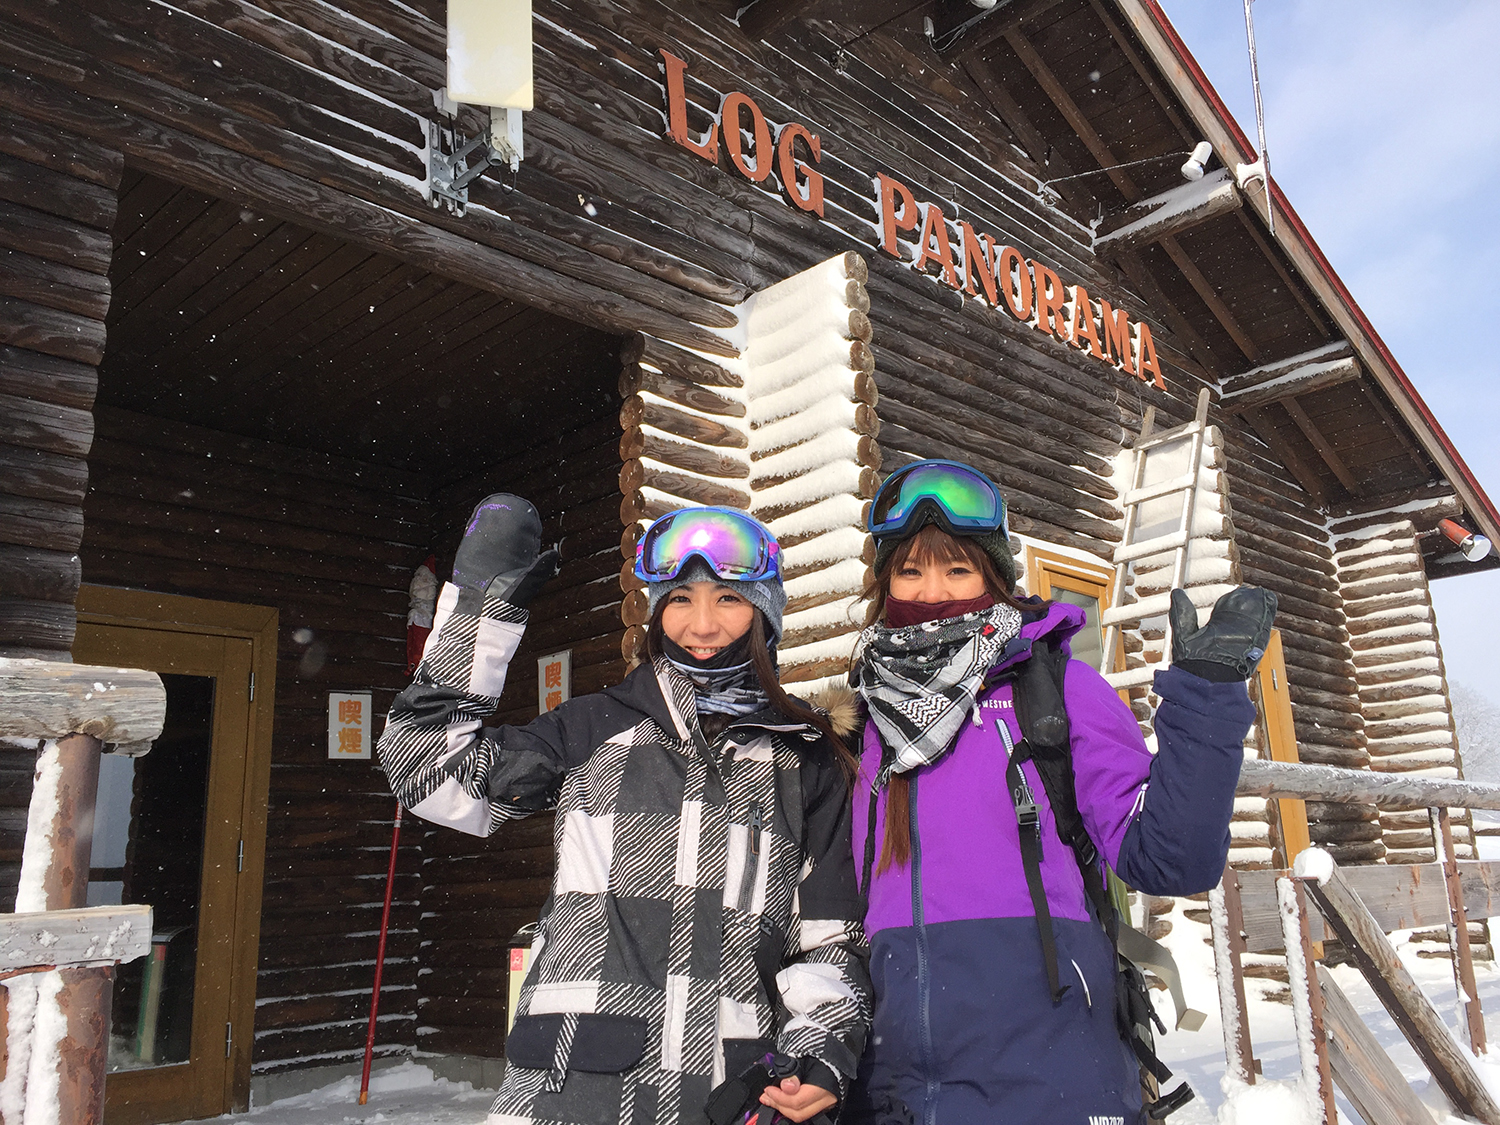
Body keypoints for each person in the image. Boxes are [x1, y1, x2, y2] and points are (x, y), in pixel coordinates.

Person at [377, 497, 871, 1125]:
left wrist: (820, 1053)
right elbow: (426, 774)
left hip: (736, 1089)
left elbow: (828, 937)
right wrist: (479, 614)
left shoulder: (805, 758)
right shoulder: (593, 729)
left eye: (729, 599)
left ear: (764, 615)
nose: (702, 624)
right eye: (681, 600)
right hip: (571, 1089)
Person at [840, 460, 1276, 1125]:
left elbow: (1170, 859)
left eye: (958, 569)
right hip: (896, 1095)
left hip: (1052, 1086)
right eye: (911, 571)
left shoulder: (1059, 692)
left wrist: (1207, 704)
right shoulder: (866, 722)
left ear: (994, 578)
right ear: (886, 583)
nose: (933, 592)